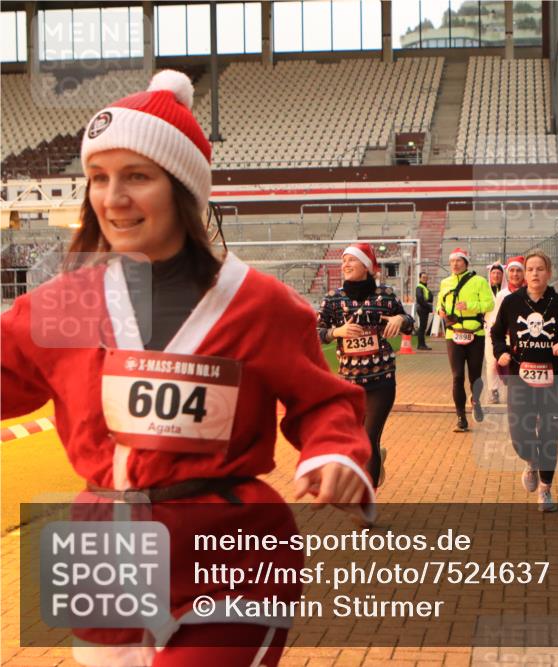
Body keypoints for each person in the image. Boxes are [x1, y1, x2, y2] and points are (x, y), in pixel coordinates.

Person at [1, 71, 373, 665]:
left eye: (137, 177)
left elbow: (324, 400)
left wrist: (334, 453)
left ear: (182, 189)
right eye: (99, 178)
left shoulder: (260, 306)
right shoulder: (63, 306)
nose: (112, 198)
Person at [491, 251, 558, 512]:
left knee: (549, 436)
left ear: (549, 273)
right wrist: (501, 351)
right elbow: (496, 332)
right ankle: (532, 460)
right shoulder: (512, 302)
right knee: (520, 436)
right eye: (530, 269)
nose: (534, 273)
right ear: (525, 273)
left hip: (554, 382)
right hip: (520, 380)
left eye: (540, 269)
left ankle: (545, 489)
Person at [318, 243, 413, 488]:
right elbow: (313, 333)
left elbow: (411, 323)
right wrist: (336, 331)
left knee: (368, 438)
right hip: (349, 382)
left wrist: (400, 319)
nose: (345, 265)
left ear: (367, 266)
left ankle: (366, 501)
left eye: (352, 260)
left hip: (381, 379)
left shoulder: (386, 295)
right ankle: (376, 460)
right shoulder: (333, 299)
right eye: (343, 261)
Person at [436, 247, 494, 432]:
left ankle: (475, 402)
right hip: (453, 334)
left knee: (475, 377)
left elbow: (489, 304)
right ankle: (461, 417)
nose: (455, 264)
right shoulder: (445, 282)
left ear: (466, 263)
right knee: (457, 376)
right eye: (452, 261)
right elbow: (439, 303)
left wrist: (469, 305)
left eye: (459, 260)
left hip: (475, 333)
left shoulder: (479, 281)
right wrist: (440, 311)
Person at [483, 261, 508, 404]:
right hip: (490, 331)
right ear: (490, 275)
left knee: (508, 362)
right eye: (493, 273)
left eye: (499, 273)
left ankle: (513, 390)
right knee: (491, 362)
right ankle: (493, 391)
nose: (496, 275)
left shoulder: (507, 291)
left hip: (507, 332)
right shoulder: (485, 290)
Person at [414, 271, 433, 350]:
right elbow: (420, 299)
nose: (425, 279)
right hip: (422, 309)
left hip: (424, 308)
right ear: (420, 278)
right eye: (423, 277)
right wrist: (428, 305)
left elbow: (429, 298)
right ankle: (421, 345)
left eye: (426, 278)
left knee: (423, 327)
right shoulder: (419, 287)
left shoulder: (424, 287)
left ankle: (422, 344)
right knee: (422, 327)